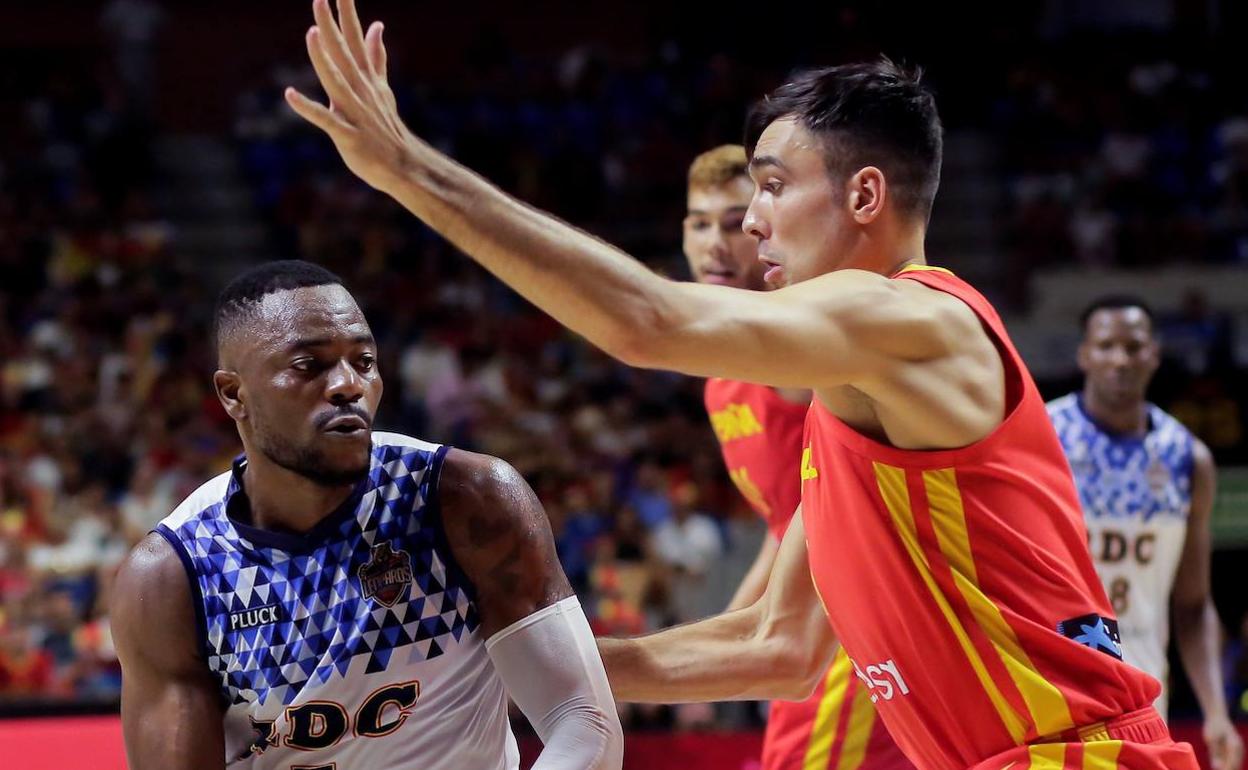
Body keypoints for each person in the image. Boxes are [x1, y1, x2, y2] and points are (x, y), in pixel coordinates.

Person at [284, 2, 1199, 767]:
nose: (752, 222)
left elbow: (647, 323)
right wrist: (507, 662)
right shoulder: (853, 402)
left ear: (865, 197)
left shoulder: (911, 318)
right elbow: (778, 646)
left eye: (771, 185)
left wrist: (406, 169)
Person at [111, 261, 623, 769]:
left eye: (364, 361)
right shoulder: (173, 575)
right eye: (309, 365)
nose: (347, 384)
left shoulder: (464, 498)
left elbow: (583, 721)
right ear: (233, 394)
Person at [683, 144, 910, 770]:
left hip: (857, 624)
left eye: (736, 223)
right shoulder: (720, 379)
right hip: (812, 621)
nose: (716, 244)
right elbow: (787, 524)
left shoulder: (799, 349)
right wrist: (725, 635)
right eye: (699, 224)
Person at [1048, 297, 1244, 770]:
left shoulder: (1187, 458)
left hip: (1141, 688)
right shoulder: (1044, 436)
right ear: (1084, 355)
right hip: (1053, 679)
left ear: (1154, 354)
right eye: (1106, 346)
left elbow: (1193, 605)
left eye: (1133, 347)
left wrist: (1217, 712)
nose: (1120, 359)